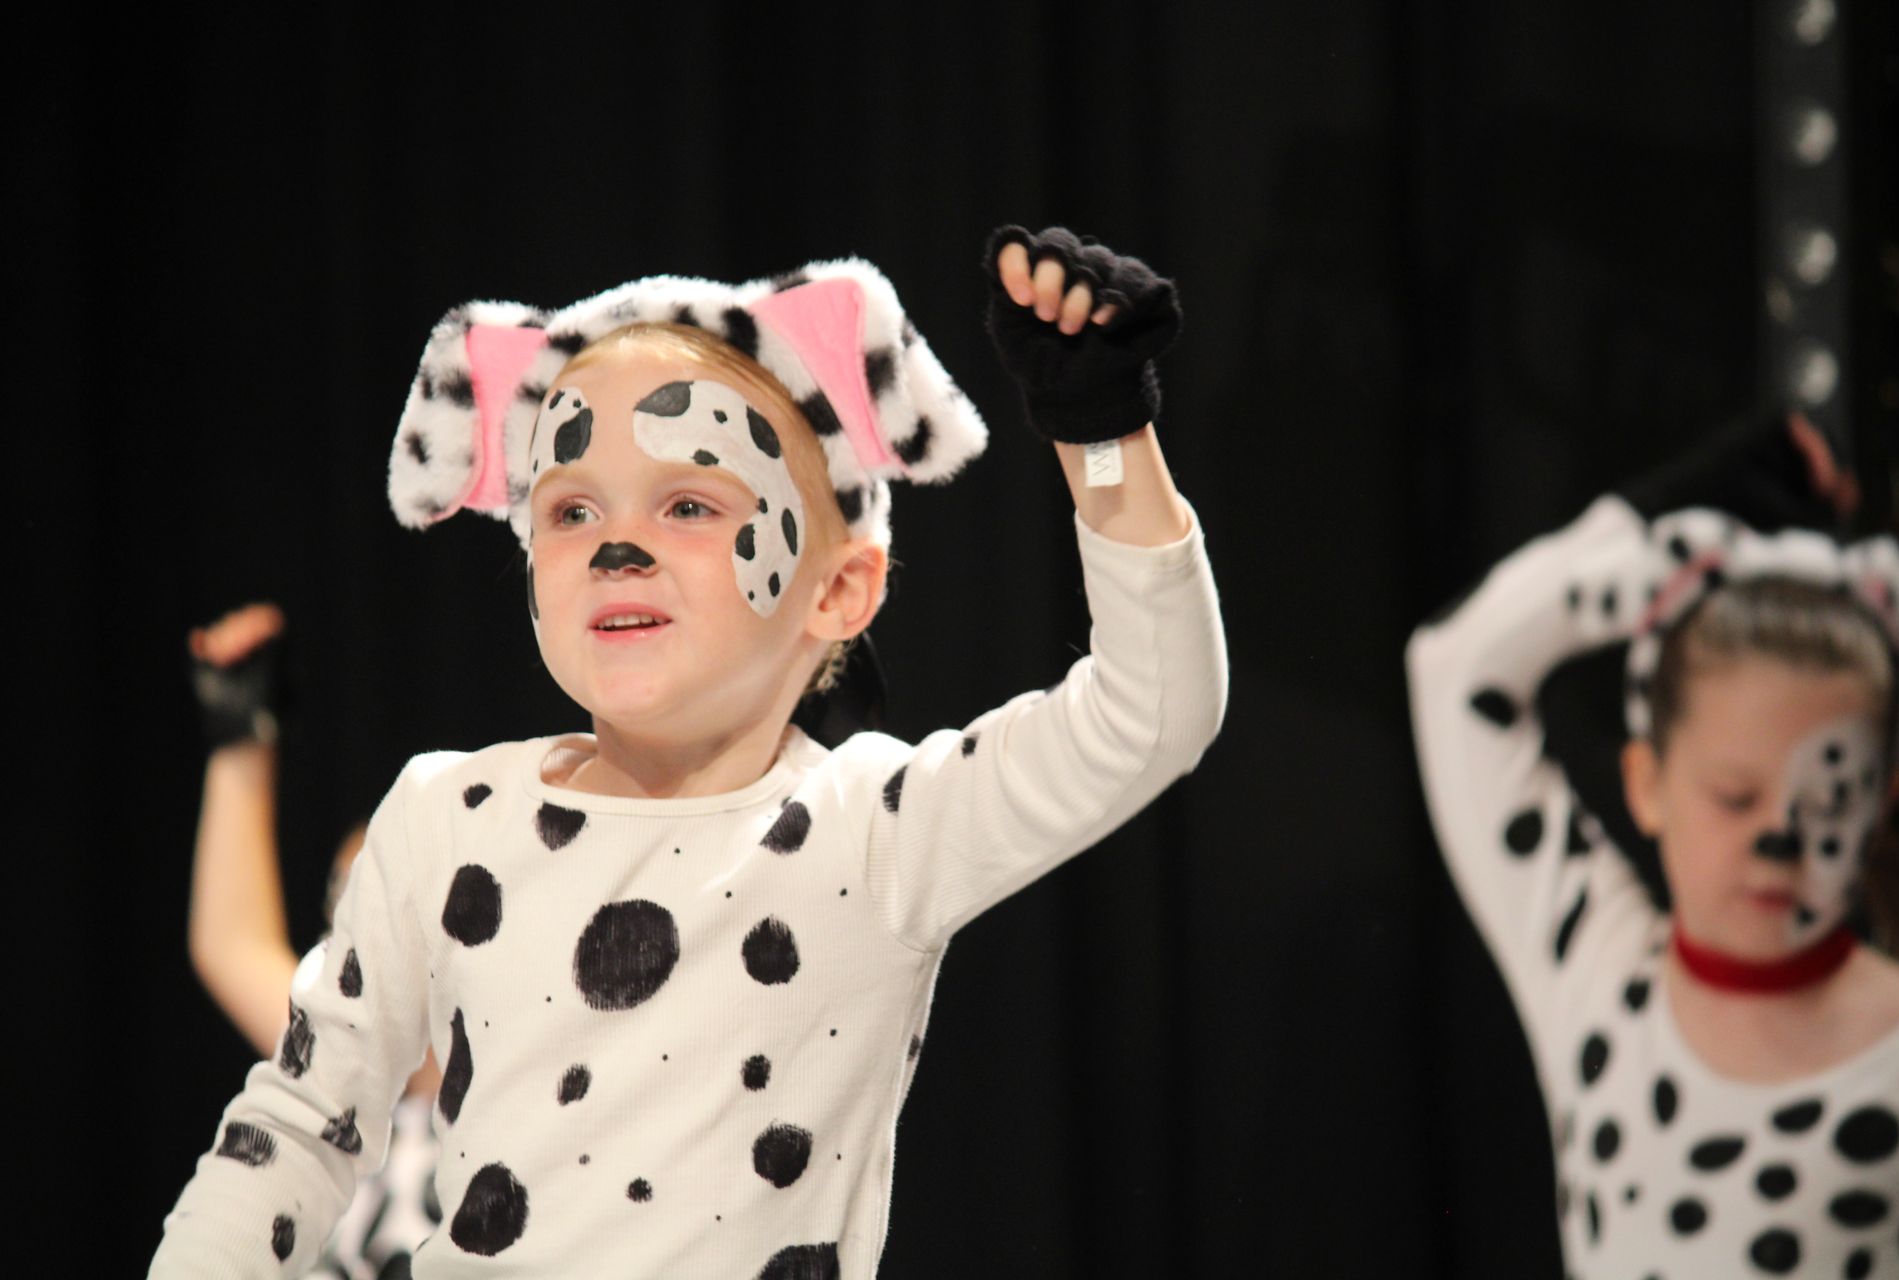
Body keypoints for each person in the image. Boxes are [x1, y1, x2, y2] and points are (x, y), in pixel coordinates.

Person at [150, 225, 1229, 1278]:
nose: (618, 546)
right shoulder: (443, 815)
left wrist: (1103, 434)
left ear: (840, 587)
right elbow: (296, 1124)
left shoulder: (878, 824)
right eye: (571, 507)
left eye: (689, 501)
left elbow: (1150, 712)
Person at [1408, 414, 1899, 1278]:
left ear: (1882, 799)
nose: (1777, 840)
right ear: (1646, 783)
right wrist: (1665, 536)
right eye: (1735, 796)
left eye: (1827, 798)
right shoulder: (1595, 977)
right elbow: (1453, 668)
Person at [187, 603, 442, 1279]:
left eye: (381, 903)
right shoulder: (341, 1065)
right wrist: (242, 735)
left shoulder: (537, 1081)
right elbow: (233, 942)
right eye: (342, 902)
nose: (357, 936)